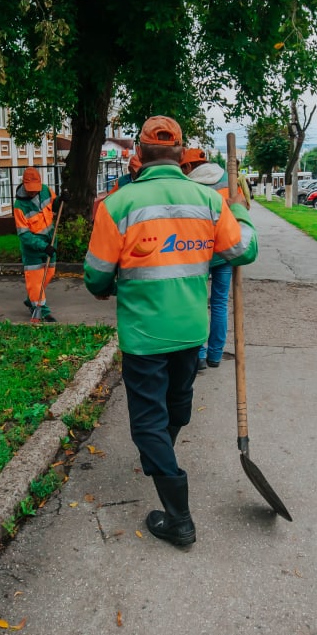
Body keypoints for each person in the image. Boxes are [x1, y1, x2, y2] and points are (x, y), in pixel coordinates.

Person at [84, 116, 259, 547]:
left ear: (139, 156)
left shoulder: (117, 205)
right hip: (190, 332)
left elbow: (96, 276)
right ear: (181, 155)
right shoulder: (208, 202)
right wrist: (239, 212)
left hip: (144, 335)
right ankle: (160, 455)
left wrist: (108, 288)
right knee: (177, 405)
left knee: (148, 421)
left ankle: (178, 518)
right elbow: (243, 250)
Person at [180, 146, 240, 372]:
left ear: (188, 166)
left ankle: (200, 355)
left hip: (197, 251)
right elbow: (242, 211)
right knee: (220, 303)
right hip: (224, 251)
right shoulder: (228, 180)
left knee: (196, 301)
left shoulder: (187, 185)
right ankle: (215, 354)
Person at [13, 166, 59, 323]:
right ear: (24, 185)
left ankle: (31, 298)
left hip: (50, 240)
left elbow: (55, 204)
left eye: (35, 189)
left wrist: (62, 200)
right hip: (32, 248)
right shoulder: (19, 206)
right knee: (35, 280)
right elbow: (24, 235)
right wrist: (42, 246)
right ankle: (42, 312)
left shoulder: (45, 190)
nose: (33, 192)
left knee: (50, 273)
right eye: (30, 189)